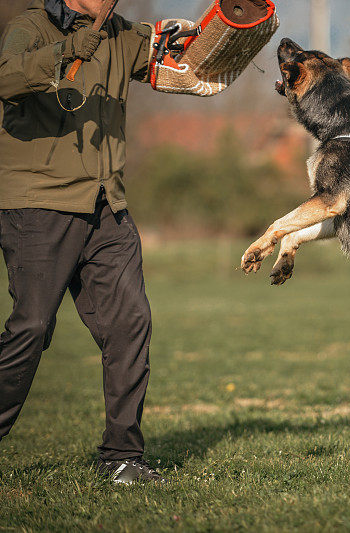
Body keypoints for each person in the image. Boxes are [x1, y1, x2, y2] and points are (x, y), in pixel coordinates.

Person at [0, 0, 162, 483]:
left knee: (130, 323)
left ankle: (122, 458)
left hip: (105, 204)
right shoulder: (29, 25)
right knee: (32, 326)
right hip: (39, 200)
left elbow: (189, 68)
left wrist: (235, 25)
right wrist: (68, 48)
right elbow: (6, 79)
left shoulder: (122, 34)